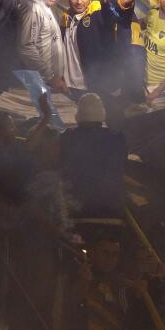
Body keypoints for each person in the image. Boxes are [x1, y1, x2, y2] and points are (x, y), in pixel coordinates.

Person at [59, 94, 128, 231]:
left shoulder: (67, 137)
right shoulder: (117, 138)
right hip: (110, 207)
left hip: (75, 209)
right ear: (102, 114)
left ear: (78, 115)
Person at [18, 0, 67, 95]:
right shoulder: (33, 8)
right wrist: (51, 77)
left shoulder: (47, 8)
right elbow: (26, 47)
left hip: (48, 85)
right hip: (38, 85)